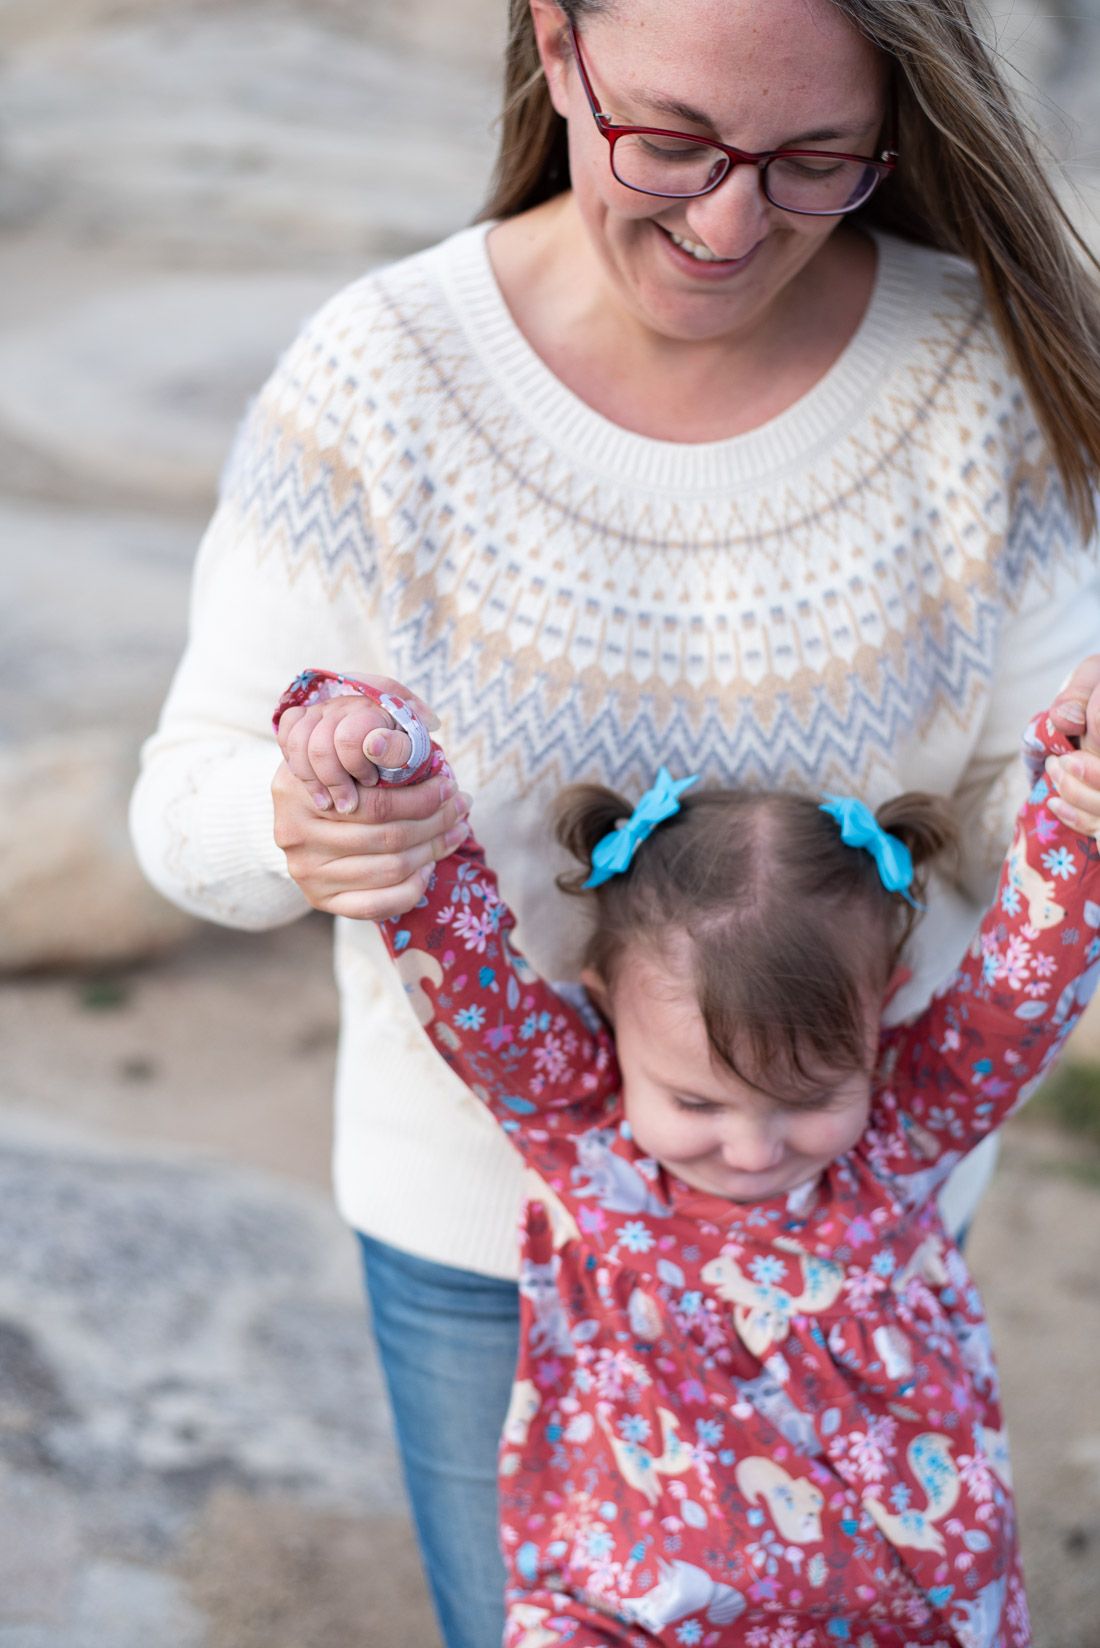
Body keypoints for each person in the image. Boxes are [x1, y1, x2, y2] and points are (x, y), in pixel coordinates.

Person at [129, 1, 1100, 1643]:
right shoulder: (382, 380)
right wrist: (300, 816)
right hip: (476, 1246)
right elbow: (187, 799)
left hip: (871, 1208)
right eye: (675, 141)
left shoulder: (983, 374)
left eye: (813, 164)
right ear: (556, 40)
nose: (729, 225)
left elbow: (1026, 853)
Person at [270, 667, 1100, 1646]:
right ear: (604, 1011)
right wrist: (379, 766)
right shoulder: (582, 1136)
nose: (749, 1148)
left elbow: (1023, 984)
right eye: (694, 1099)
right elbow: (457, 951)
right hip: (623, 1614)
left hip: (897, 1611)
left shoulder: (899, 1138)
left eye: (806, 1098)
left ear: (885, 1008)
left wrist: (1077, 807)